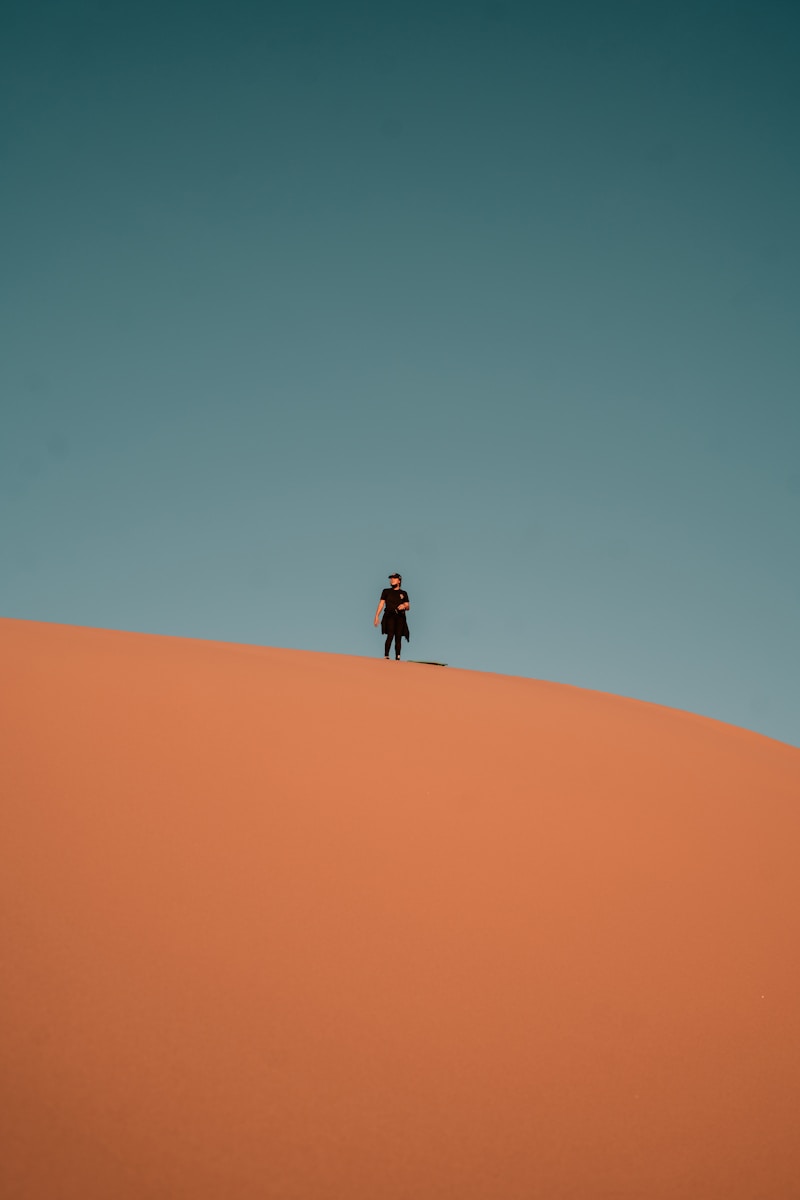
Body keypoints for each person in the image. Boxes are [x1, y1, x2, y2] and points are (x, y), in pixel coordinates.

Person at [374, 573, 410, 660]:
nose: (392, 580)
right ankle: (386, 656)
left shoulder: (403, 593)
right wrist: (376, 616)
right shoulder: (386, 591)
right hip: (389, 615)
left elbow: (408, 606)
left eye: (394, 578)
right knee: (390, 635)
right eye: (391, 578)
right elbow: (381, 603)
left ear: (399, 580)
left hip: (400, 617)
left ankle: (398, 657)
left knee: (398, 637)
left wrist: (404, 606)